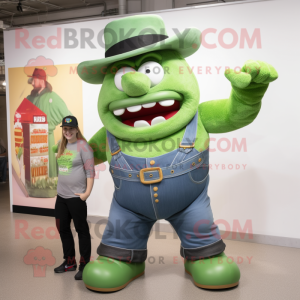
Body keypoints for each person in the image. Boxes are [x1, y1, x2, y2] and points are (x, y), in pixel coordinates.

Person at [54, 116, 95, 280]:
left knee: (81, 230)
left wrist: (86, 194)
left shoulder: (84, 147)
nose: (68, 131)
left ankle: (84, 265)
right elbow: (63, 169)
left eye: (71, 129)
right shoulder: (61, 144)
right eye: (65, 129)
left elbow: (90, 173)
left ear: (77, 129)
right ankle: (69, 262)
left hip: (76, 197)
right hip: (61, 196)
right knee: (62, 228)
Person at [27, 68, 72, 178]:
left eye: (34, 80)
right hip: (32, 139)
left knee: (48, 168)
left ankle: (50, 188)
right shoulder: (30, 98)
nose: (32, 83)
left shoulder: (52, 97)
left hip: (46, 138)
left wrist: (67, 136)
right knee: (35, 169)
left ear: (41, 80)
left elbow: (68, 116)